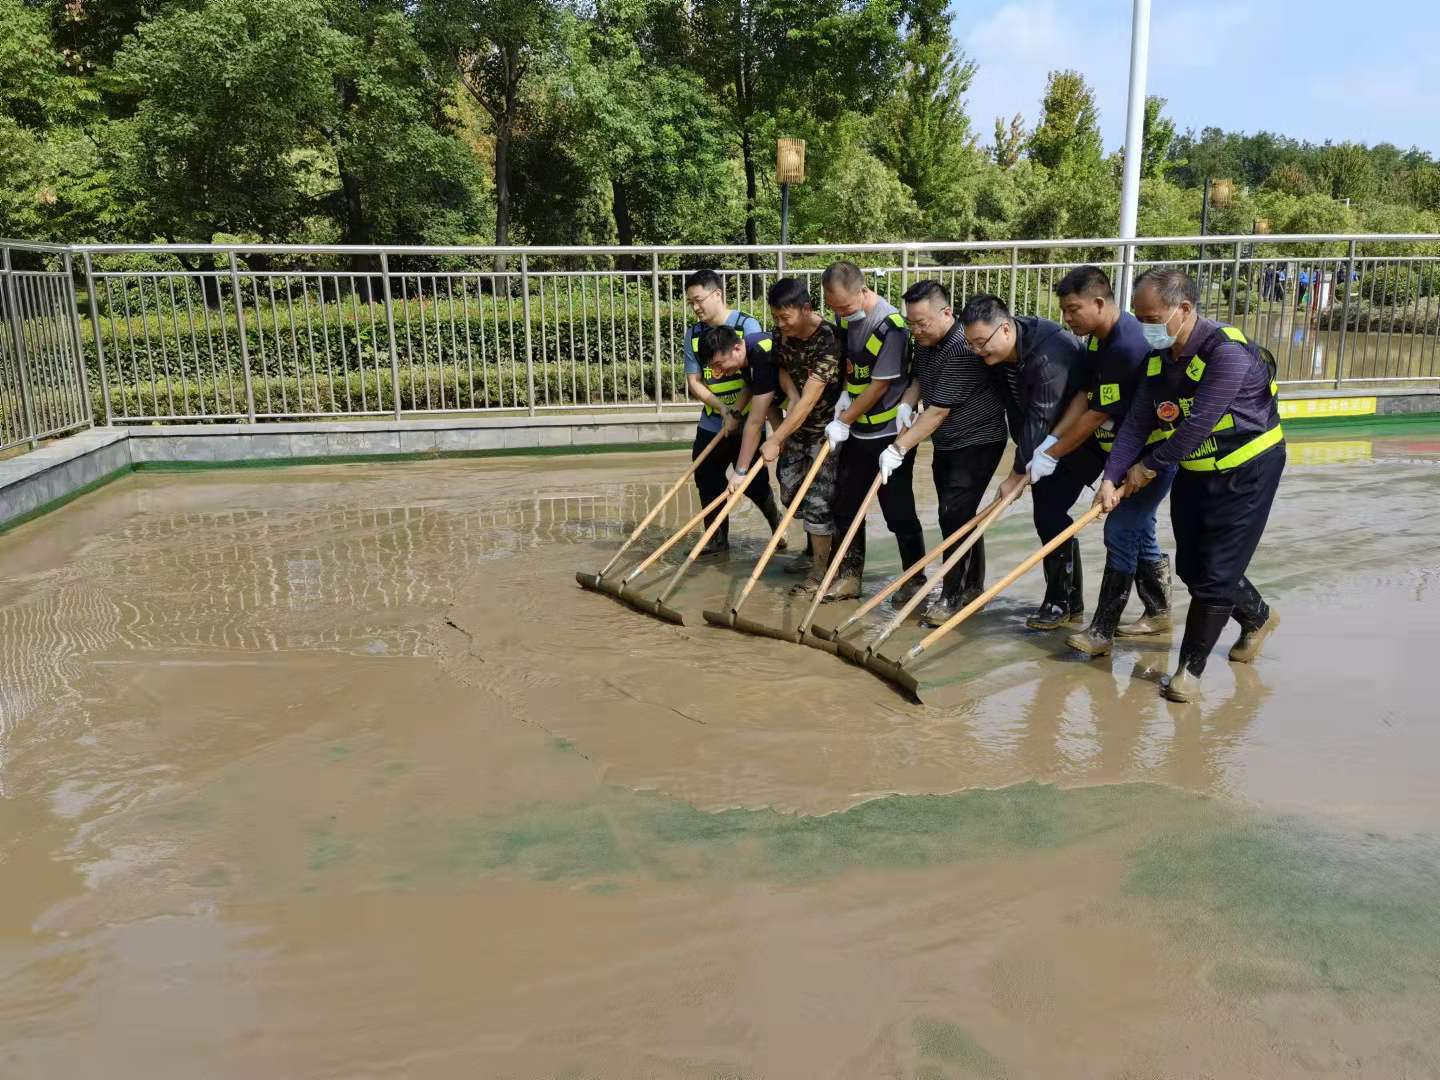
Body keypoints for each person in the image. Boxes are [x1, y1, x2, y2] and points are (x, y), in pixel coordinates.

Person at [1099, 268, 1284, 703]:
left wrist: (1146, 468)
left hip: (1247, 473)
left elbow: (1197, 425)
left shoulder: (1227, 353)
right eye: (1139, 319)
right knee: (1191, 568)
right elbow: (1138, 421)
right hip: (1196, 472)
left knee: (1215, 576)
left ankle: (1189, 672)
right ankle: (1257, 616)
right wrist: (1111, 475)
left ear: (1183, 309)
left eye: (1152, 318)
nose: (1146, 328)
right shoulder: (1159, 359)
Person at [1048, 266, 1177, 656]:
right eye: (1064, 311)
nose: (1067, 319)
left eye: (1073, 310)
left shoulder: (1127, 345)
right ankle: (1158, 612)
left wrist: (1054, 454)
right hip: (1122, 452)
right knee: (1140, 530)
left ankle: (1102, 631)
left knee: (1119, 532)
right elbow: (1087, 396)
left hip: (1150, 457)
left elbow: (1096, 415)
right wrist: (1052, 443)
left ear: (1100, 303)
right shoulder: (1096, 340)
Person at [958, 293, 1088, 629]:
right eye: (971, 344)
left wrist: (1016, 475)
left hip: (1076, 438)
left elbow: (1040, 418)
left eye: (981, 342)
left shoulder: (1050, 351)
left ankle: (1060, 602)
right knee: (1048, 516)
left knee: (1050, 514)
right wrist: (1021, 465)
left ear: (1005, 329)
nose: (977, 351)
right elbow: (1022, 417)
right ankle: (1069, 603)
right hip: (1038, 444)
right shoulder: (997, 354)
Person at [883, 279, 1009, 625]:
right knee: (959, 515)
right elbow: (918, 379)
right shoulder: (926, 342)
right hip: (948, 442)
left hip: (979, 440)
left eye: (922, 322)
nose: (916, 330)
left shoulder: (962, 348)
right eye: (911, 323)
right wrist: (907, 404)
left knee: (952, 515)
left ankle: (952, 595)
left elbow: (938, 411)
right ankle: (973, 587)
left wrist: (898, 448)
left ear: (947, 313)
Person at [819, 261, 926, 603]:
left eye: (844, 306)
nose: (840, 313)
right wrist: (844, 395)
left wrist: (844, 420)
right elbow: (851, 368)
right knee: (845, 505)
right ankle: (849, 577)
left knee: (898, 511)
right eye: (833, 307)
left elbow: (879, 385)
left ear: (863, 291)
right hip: (857, 433)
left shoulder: (890, 327)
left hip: (889, 434)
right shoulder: (844, 317)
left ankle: (914, 578)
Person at [749, 278, 845, 595]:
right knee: (791, 493)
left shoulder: (829, 339)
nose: (779, 324)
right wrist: (790, 391)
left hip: (825, 431)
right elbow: (781, 366)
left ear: (805, 309)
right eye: (775, 317)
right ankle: (811, 549)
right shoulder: (782, 333)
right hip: (795, 428)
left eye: (785, 317)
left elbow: (809, 401)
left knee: (818, 502)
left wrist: (775, 438)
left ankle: (820, 571)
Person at [680, 269, 778, 557]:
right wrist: (723, 410)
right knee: (706, 477)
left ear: (717, 294)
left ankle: (778, 526)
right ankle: (717, 539)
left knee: (754, 483)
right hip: (714, 420)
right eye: (691, 302)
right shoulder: (693, 335)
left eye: (699, 300)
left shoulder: (746, 326)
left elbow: (755, 377)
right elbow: (694, 382)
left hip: (748, 419)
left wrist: (736, 412)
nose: (695, 307)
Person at [695, 325, 783, 515]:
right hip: (792, 411)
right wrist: (734, 414)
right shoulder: (747, 357)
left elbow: (756, 421)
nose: (718, 371)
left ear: (736, 348)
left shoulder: (761, 353)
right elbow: (752, 387)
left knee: (797, 484)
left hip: (815, 412)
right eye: (713, 367)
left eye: (719, 364)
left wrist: (740, 472)